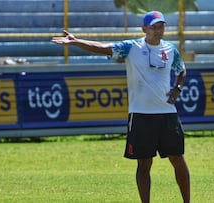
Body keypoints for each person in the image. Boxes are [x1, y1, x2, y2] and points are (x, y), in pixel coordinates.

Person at [51, 11, 190, 203]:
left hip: (167, 114)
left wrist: (178, 87)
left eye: (161, 26)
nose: (158, 31)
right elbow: (103, 48)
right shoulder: (131, 47)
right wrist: (76, 42)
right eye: (154, 27)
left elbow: (181, 69)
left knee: (178, 159)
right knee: (144, 164)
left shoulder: (170, 49)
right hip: (141, 115)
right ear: (144, 29)